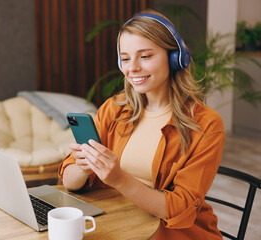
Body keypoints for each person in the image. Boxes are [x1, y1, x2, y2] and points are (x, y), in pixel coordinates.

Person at [58, 9, 225, 240]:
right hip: (118, 224)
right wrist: (83, 168)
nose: (132, 68)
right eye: (125, 58)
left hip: (171, 233)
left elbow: (180, 208)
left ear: (175, 58)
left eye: (145, 56)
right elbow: (68, 181)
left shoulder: (206, 124)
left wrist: (118, 178)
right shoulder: (114, 108)